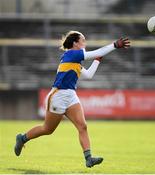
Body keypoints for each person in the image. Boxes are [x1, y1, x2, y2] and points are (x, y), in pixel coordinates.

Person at [14, 31, 130, 168]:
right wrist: (115, 45)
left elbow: (89, 75)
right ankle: (22, 138)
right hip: (58, 95)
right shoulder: (71, 54)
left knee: (83, 126)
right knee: (47, 129)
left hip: (70, 95)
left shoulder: (75, 60)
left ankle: (89, 158)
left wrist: (97, 60)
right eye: (83, 40)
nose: (85, 43)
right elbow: (95, 52)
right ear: (75, 43)